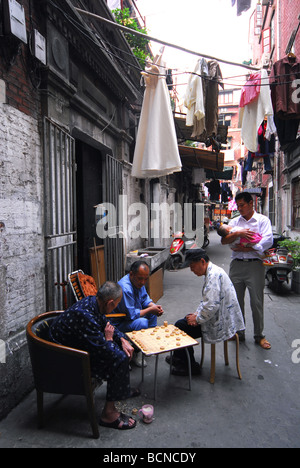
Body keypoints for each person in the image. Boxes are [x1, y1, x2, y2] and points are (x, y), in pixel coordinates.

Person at [49, 282, 138, 430]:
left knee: (120, 346)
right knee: (119, 358)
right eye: (115, 305)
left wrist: (122, 339)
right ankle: (108, 415)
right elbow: (105, 350)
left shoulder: (94, 302)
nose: (115, 307)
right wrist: (109, 340)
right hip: (66, 359)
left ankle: (121, 388)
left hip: (76, 347)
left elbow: (107, 324)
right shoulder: (85, 315)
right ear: (109, 302)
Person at [170, 249, 245, 376]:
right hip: (219, 316)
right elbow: (208, 302)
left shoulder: (213, 276)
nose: (192, 270)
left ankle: (190, 367)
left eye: (192, 267)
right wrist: (195, 315)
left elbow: (211, 306)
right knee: (186, 319)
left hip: (220, 322)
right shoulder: (213, 271)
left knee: (181, 327)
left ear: (202, 262)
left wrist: (197, 319)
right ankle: (180, 358)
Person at [220, 192, 273, 349]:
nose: (240, 208)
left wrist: (248, 247)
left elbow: (267, 240)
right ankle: (238, 333)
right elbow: (225, 241)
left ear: (251, 203)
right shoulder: (235, 221)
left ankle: (259, 335)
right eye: (238, 205)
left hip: (255, 266)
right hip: (236, 265)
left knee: (256, 302)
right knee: (236, 301)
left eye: (242, 205)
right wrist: (238, 233)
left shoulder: (262, 220)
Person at [113, 260, 164, 367]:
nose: (142, 282)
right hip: (119, 322)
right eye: (140, 279)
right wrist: (150, 309)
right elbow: (131, 315)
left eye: (145, 279)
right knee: (142, 322)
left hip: (131, 315)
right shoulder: (125, 288)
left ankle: (147, 342)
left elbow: (145, 299)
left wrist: (153, 307)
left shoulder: (138, 283)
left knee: (152, 311)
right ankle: (138, 351)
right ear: (131, 274)